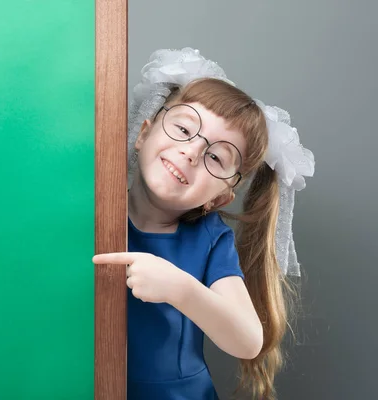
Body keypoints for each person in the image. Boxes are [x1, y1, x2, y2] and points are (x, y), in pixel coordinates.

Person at [93, 48, 315, 399]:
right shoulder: (90, 211)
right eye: (183, 128)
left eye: (215, 156)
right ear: (143, 134)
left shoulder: (210, 239)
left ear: (221, 197)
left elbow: (248, 339)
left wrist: (180, 289)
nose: (192, 152)